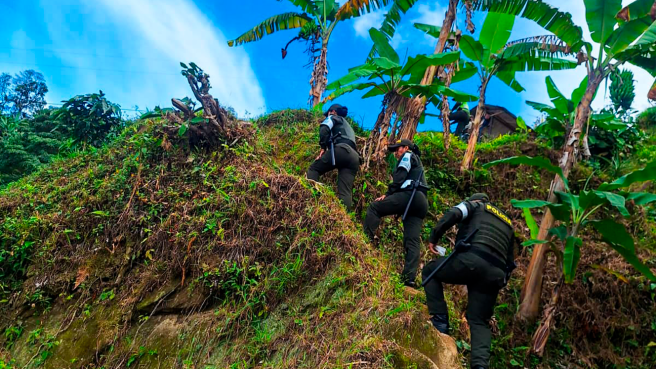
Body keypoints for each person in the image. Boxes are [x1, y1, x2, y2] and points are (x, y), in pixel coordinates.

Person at [422, 193, 515, 369]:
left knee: (430, 271)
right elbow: (510, 262)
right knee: (479, 320)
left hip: (472, 260)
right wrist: (501, 281)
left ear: (475, 200)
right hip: (495, 274)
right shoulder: (508, 223)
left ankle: (440, 323)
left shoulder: (475, 206)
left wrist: (434, 237)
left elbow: (454, 213)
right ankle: (480, 365)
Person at [363, 139, 428, 288]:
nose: (396, 153)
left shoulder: (407, 155)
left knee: (374, 207)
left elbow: (400, 176)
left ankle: (365, 242)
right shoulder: (417, 161)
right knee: (412, 240)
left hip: (410, 195)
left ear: (405, 147)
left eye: (397, 149)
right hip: (421, 202)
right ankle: (409, 278)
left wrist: (388, 193)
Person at [307, 104, 360, 211]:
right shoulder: (348, 127)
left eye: (328, 113)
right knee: (345, 191)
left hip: (342, 150)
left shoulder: (332, 117)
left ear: (333, 111)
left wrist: (323, 147)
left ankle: (311, 198)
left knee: (314, 169)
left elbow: (324, 128)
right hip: (355, 158)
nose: (327, 116)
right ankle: (345, 219)